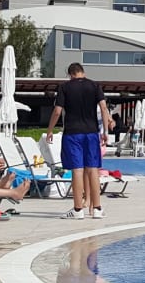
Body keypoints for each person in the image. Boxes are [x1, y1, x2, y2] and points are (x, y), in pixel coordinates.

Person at [46, 63, 113, 220]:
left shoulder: (65, 87)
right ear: (83, 72)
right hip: (91, 133)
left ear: (70, 74)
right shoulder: (95, 86)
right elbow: (104, 108)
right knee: (93, 169)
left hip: (72, 133)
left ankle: (78, 210)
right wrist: (105, 132)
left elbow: (57, 111)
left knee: (77, 170)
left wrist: (50, 130)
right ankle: (97, 209)